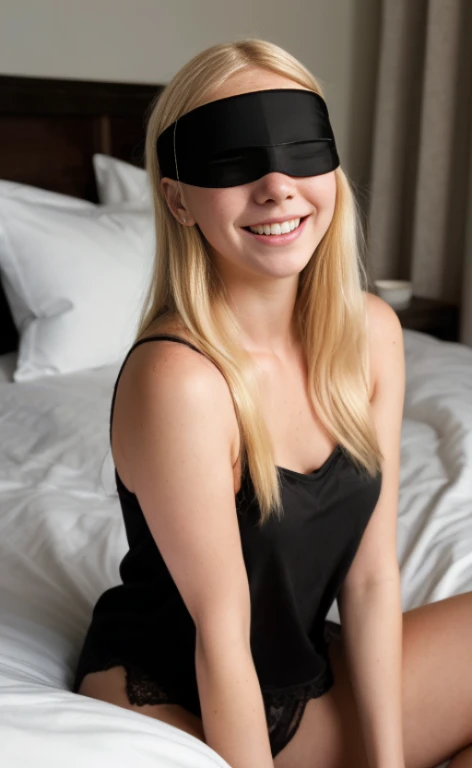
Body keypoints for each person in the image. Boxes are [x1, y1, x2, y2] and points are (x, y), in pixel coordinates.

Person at [73, 39, 472, 768]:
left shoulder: (371, 333)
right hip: (184, 689)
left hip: (305, 665)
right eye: (233, 158)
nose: (277, 184)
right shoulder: (179, 380)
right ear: (177, 200)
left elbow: (373, 575)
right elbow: (222, 637)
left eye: (300, 148)